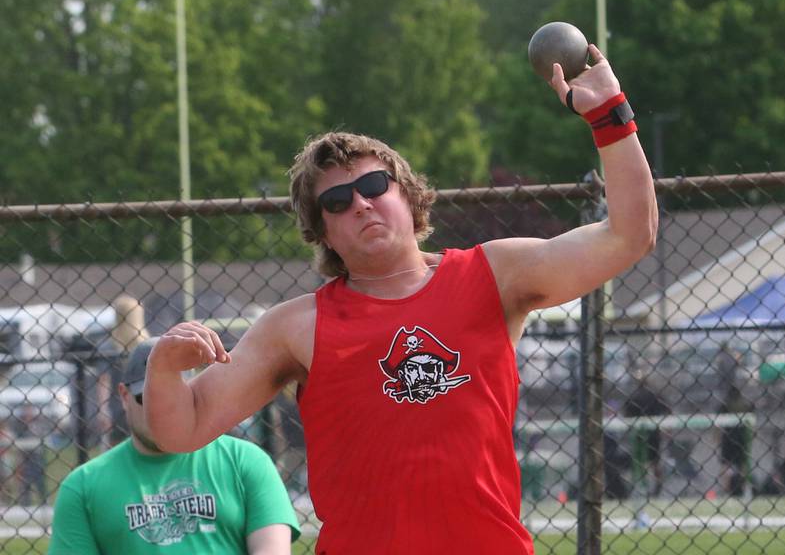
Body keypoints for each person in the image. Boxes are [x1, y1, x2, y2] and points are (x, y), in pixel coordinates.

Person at [144, 44, 657, 554]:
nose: (361, 204)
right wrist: (163, 367)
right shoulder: (295, 327)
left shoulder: (492, 276)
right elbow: (182, 428)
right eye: (338, 202)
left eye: (372, 184)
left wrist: (609, 114)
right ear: (321, 232)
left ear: (408, 194)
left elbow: (630, 235)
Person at [48, 338, 300, 555]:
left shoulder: (245, 461)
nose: (159, 408)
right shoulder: (83, 486)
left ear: (191, 392)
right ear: (124, 397)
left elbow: (271, 549)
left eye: (172, 394)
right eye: (145, 397)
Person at [623, 373, 670, 497]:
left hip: (640, 432)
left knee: (641, 462)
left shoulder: (635, 396)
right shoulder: (654, 395)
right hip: (652, 431)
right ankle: (654, 487)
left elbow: (627, 415)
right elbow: (667, 409)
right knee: (654, 462)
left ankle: (644, 488)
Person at [717, 385, 754, 496]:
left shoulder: (725, 406)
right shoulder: (745, 406)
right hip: (741, 438)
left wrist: (716, 437)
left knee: (727, 465)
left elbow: (718, 424)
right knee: (743, 464)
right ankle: (745, 488)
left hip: (728, 438)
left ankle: (726, 489)